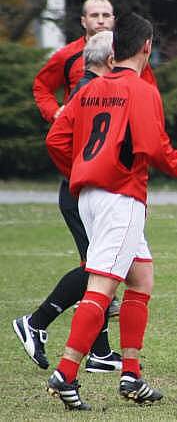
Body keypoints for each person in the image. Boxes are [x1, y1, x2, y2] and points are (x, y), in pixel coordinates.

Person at [45, 12, 177, 410]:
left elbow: (57, 139)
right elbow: (154, 148)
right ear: (147, 46)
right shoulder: (142, 89)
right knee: (102, 285)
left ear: (115, 49)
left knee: (141, 277)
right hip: (121, 197)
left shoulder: (89, 88)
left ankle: (130, 374)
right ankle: (65, 373)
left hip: (91, 198)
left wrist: (82, 170)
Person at [13, 0, 156, 374]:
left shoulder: (125, 71)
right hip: (96, 186)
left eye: (108, 14)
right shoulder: (82, 71)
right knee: (100, 271)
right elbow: (45, 98)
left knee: (119, 270)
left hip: (104, 183)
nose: (102, 20)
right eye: (95, 15)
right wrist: (57, 117)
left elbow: (143, 103)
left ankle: (103, 354)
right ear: (83, 21)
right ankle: (42, 329)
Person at [13, 30, 123, 374]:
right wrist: (80, 172)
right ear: (110, 59)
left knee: (103, 266)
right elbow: (56, 139)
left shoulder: (92, 87)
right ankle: (35, 321)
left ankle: (101, 353)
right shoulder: (88, 90)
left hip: (85, 191)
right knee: (99, 268)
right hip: (81, 193)